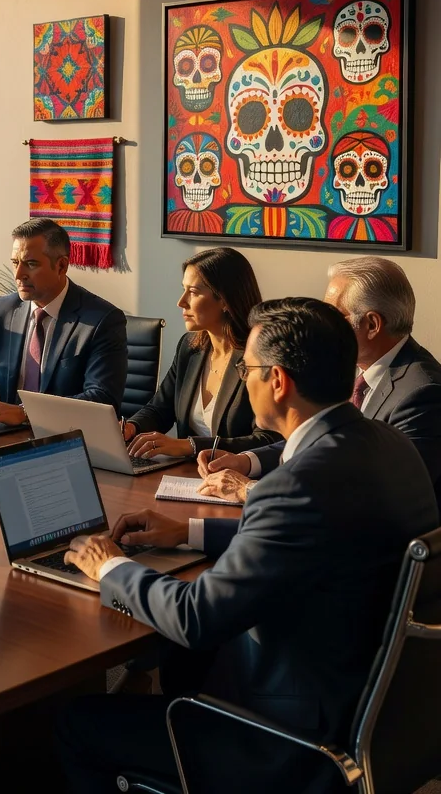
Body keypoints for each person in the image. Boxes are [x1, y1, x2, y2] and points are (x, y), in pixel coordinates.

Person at [56, 298, 438, 793]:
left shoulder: (295, 484)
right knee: (181, 666)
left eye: (247, 367)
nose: (244, 374)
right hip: (386, 715)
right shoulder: (389, 446)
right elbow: (321, 537)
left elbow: (196, 618)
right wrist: (188, 532)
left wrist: (110, 566)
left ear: (278, 381)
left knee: (75, 723)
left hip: (286, 739)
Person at [201, 256, 441, 511]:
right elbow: (318, 437)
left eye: (334, 316)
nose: (321, 324)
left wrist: (247, 489)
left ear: (372, 324)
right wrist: (248, 461)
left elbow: (378, 494)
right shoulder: (356, 367)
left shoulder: (422, 393)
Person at [0, 218, 127, 428]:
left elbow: (101, 399)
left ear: (62, 265)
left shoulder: (102, 320)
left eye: (31, 264)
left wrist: (24, 413)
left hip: (68, 440)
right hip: (7, 439)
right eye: (15, 263)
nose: (18, 275)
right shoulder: (4, 310)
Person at [123, 247, 279, 460]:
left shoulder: (260, 357)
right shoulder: (190, 347)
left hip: (236, 479)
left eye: (194, 292)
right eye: (183, 289)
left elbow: (269, 440)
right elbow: (160, 409)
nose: (181, 302)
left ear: (225, 300)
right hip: (184, 476)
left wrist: (191, 446)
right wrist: (132, 426)